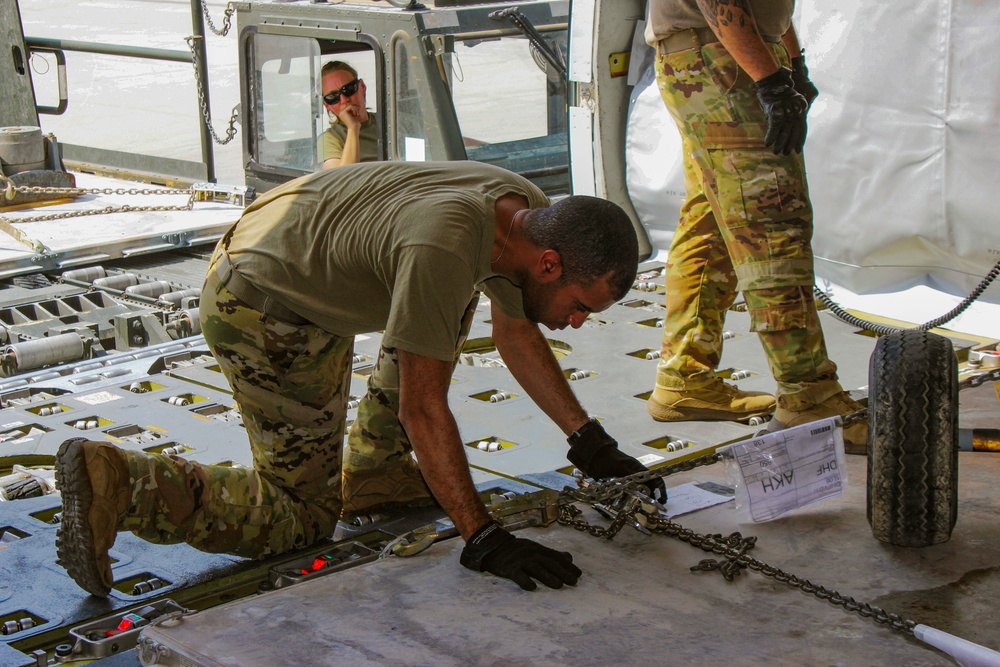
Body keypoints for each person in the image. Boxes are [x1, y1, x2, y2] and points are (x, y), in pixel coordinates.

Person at [54, 160, 667, 598]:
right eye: (581, 305)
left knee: (444, 315)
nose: (580, 323)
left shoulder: (521, 211)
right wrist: (480, 536)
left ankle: (376, 475)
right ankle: (124, 483)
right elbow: (422, 408)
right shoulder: (447, 248)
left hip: (300, 241)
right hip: (265, 300)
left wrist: (589, 441)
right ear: (551, 264)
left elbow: (516, 330)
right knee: (299, 517)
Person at [642, 0, 867, 453]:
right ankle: (809, 396)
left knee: (712, 223)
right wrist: (769, 80)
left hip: (715, 56)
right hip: (721, 61)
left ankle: (684, 376)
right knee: (770, 224)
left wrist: (791, 62)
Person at [320, 60, 378, 169]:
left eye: (348, 89)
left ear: (362, 87)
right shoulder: (331, 139)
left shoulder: (390, 123)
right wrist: (353, 128)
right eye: (333, 97)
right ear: (327, 105)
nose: (344, 100)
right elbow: (342, 181)